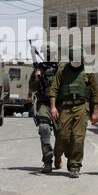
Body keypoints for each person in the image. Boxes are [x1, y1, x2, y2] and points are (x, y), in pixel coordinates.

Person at [49, 46, 98, 178]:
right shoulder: (62, 69)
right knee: (62, 136)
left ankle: (74, 166)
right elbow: (54, 89)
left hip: (82, 107)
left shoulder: (88, 70)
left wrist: (95, 112)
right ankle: (60, 154)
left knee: (78, 138)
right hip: (65, 107)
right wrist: (53, 107)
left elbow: (95, 92)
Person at [29, 44, 63, 174]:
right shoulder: (39, 68)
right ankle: (48, 161)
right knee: (44, 129)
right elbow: (32, 88)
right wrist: (37, 78)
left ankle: (58, 156)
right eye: (46, 53)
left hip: (59, 104)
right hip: (44, 104)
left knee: (61, 135)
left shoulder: (61, 67)